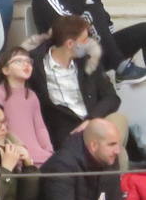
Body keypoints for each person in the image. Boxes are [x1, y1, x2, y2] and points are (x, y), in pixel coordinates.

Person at [28, 16, 127, 150]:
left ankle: (114, 164)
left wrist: (91, 119)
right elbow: (2, 71)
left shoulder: (88, 62)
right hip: (64, 130)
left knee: (117, 123)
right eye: (85, 40)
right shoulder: (35, 63)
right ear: (70, 44)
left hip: (94, 122)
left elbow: (111, 97)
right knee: (107, 147)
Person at [40, 118, 138, 200]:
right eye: (112, 144)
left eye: (118, 144)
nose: (117, 150)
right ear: (94, 145)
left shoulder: (109, 158)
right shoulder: (63, 164)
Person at [0, 46, 56, 166]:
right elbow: (0, 126)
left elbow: (40, 127)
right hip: (16, 154)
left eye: (28, 62)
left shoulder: (32, 95)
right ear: (5, 70)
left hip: (39, 155)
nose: (25, 65)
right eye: (18, 61)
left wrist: (47, 149)